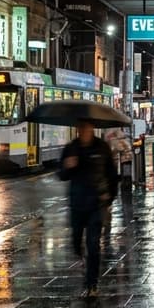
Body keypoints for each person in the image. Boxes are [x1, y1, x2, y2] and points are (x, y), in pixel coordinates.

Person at [59, 119, 119, 297]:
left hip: (96, 204)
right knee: (76, 242)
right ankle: (82, 259)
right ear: (78, 129)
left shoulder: (102, 147)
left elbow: (112, 174)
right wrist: (67, 166)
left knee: (93, 245)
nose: (84, 131)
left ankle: (92, 284)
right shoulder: (71, 148)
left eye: (87, 127)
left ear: (92, 128)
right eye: (81, 128)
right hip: (77, 204)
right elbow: (61, 175)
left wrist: (110, 197)